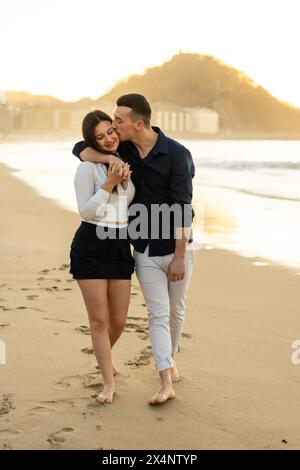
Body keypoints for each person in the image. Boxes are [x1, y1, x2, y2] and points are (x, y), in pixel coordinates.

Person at [73, 94, 195, 405]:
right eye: (109, 125)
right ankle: (161, 378)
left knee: (174, 313)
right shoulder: (122, 150)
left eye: (117, 122)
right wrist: (107, 161)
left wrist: (180, 254)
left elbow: (183, 206)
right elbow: (81, 148)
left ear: (137, 123)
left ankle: (168, 358)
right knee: (157, 313)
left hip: (170, 244)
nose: (113, 129)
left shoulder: (177, 154)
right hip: (140, 244)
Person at [70, 110, 135, 404]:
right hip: (92, 244)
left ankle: (103, 358)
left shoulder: (124, 157)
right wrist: (108, 183)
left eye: (110, 131)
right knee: (99, 320)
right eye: (100, 136)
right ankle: (107, 382)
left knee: (118, 320)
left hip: (120, 244)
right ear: (91, 141)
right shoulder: (87, 169)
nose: (108, 139)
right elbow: (86, 211)